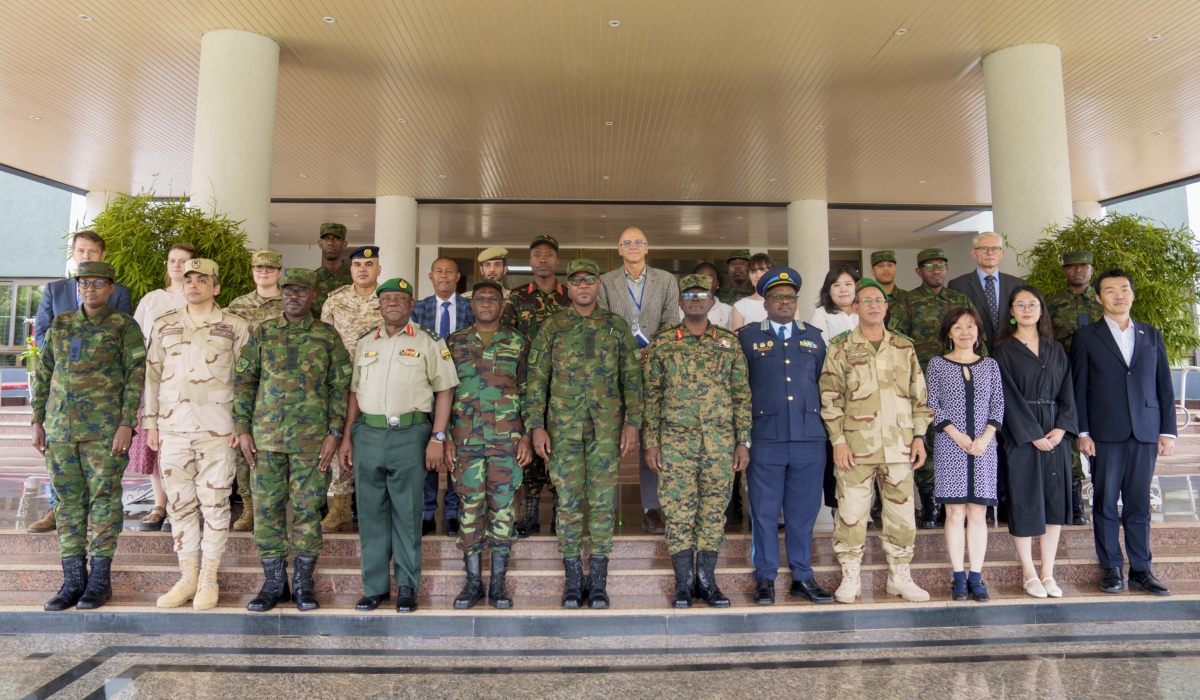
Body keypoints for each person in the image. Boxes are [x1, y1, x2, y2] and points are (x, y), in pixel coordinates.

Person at [525, 259, 641, 609]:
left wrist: (633, 422)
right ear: (569, 287)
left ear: (598, 285)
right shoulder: (553, 326)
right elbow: (536, 379)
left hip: (606, 429)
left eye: (589, 280)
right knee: (569, 504)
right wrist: (536, 425)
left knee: (604, 503)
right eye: (576, 281)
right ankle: (574, 580)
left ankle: (599, 581)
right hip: (562, 429)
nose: (583, 286)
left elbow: (632, 377)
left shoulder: (615, 326)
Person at [233, 268, 351, 613]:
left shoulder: (327, 336)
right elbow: (245, 382)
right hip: (265, 441)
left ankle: (302, 583)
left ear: (313, 296)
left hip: (311, 443)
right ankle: (273, 584)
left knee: (307, 511)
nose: (293, 296)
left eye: (301, 291)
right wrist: (242, 427)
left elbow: (339, 387)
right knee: (267, 512)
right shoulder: (263, 332)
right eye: (288, 290)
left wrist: (334, 432)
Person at [339, 278, 458, 613]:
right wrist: (348, 436)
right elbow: (354, 392)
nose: (392, 303)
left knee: (407, 513)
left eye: (400, 299)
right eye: (386, 298)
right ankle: (375, 588)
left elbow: (445, 390)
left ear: (411, 305)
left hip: (410, 433)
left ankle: (407, 586)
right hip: (369, 434)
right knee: (371, 514)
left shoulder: (429, 341)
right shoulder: (365, 343)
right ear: (379, 305)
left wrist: (437, 436)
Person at [31, 261, 144, 611]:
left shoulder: (124, 326)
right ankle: (72, 580)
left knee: (105, 502)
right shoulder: (62, 324)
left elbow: (135, 376)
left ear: (111, 288)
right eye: (84, 283)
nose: (90, 288)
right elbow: (44, 370)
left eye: (98, 283)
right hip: (61, 431)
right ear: (77, 287)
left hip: (104, 432)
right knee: (67, 504)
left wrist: (127, 423)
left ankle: (99, 581)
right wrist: (37, 418)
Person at [143, 258, 250, 610]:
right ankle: (188, 577)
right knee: (179, 504)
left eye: (202, 279)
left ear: (216, 287)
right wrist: (151, 423)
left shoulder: (235, 326)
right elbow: (152, 377)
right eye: (188, 279)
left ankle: (209, 578)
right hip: (173, 428)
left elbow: (247, 380)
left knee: (216, 504)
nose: (193, 284)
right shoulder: (164, 325)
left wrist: (241, 423)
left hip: (218, 429)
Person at [821, 279, 932, 604]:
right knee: (851, 514)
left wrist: (919, 437)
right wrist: (838, 441)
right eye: (865, 300)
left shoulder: (903, 346)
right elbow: (830, 398)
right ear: (855, 308)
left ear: (886, 307)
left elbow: (919, 396)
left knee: (901, 517)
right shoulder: (841, 347)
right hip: (855, 448)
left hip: (899, 447)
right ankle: (850, 576)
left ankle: (900, 576)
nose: (872, 305)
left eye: (878, 300)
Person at [644, 274, 751, 608]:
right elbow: (651, 395)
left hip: (720, 443)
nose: (694, 299)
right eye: (687, 294)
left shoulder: (728, 343)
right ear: (679, 302)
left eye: (701, 294)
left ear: (710, 301)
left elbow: (741, 394)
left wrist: (743, 441)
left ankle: (707, 581)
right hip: (675, 443)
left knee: (713, 513)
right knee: (677, 513)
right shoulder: (662, 342)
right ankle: (683, 584)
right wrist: (651, 441)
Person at [1072, 269, 1175, 596]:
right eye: (1110, 290)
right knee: (1103, 502)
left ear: (1132, 294)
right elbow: (1080, 388)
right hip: (1104, 432)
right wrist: (1082, 431)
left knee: (1139, 503)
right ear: (1099, 297)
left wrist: (1167, 432)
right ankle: (1112, 568)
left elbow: (1164, 386)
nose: (1119, 295)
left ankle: (1141, 570)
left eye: (1124, 289)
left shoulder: (1151, 334)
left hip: (1145, 429)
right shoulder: (1087, 336)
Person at [738, 268, 835, 605]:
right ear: (765, 302)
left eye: (790, 297)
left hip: (809, 438)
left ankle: (802, 576)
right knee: (764, 513)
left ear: (797, 302)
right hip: (765, 438)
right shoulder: (747, 338)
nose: (784, 302)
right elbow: (739, 389)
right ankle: (765, 577)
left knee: (803, 512)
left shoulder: (814, 336)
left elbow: (827, 385)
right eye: (777, 297)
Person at [27, 230, 134, 536]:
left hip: (101, 398)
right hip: (62, 389)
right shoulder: (55, 289)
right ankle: (55, 510)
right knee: (61, 463)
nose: (86, 256)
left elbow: (119, 338)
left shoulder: (120, 292)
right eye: (81, 251)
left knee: (99, 474)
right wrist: (68, 350)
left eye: (92, 251)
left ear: (102, 256)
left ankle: (91, 517)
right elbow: (43, 331)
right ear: (73, 255)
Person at [445, 280, 532, 610]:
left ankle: (497, 584)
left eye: (492, 299)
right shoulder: (454, 343)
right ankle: (472, 583)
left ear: (501, 304)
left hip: (506, 441)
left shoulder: (517, 341)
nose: (485, 304)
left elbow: (528, 390)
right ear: (471, 305)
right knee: (469, 511)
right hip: (465, 442)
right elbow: (444, 392)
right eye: (479, 299)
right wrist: (444, 438)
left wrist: (526, 433)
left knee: (502, 511)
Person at [993, 286, 1078, 599]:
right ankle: (1029, 571)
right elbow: (1006, 396)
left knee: (1054, 503)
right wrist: (1031, 433)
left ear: (1042, 310)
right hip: (1022, 436)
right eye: (1020, 305)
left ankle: (1048, 572)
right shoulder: (1002, 350)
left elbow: (1068, 391)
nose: (1027, 309)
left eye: (1033, 304)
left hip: (1055, 434)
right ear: (1012, 313)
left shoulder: (1055, 348)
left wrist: (1061, 429)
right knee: (1025, 500)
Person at [888, 247, 982, 530]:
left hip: (960, 382)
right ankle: (930, 504)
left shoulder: (960, 300)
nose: (936, 270)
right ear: (919, 271)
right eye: (929, 266)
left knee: (961, 438)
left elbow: (978, 337)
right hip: (923, 383)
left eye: (941, 265)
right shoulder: (906, 302)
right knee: (927, 438)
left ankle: (959, 502)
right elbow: (896, 343)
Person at [596, 226, 679, 535]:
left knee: (651, 437)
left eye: (638, 241)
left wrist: (652, 352)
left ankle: (651, 508)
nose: (632, 246)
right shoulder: (606, 281)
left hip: (656, 367)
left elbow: (672, 321)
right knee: (607, 438)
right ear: (619, 250)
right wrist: (629, 353)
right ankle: (602, 507)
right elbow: (603, 321)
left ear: (647, 247)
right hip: (617, 368)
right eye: (626, 242)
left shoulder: (666, 280)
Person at [925, 307, 1003, 603]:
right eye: (957, 327)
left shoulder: (990, 365)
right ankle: (958, 576)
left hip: (984, 448)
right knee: (955, 512)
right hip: (950, 445)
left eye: (970, 326)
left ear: (979, 332)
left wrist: (985, 437)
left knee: (978, 512)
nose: (965, 331)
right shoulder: (937, 364)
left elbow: (998, 405)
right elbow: (932, 404)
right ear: (948, 333)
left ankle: (976, 576)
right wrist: (957, 435)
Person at [124, 242, 196, 535]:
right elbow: (136, 341)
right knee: (155, 446)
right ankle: (159, 505)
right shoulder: (151, 300)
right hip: (153, 383)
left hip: (189, 386)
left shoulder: (197, 296)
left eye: (183, 261)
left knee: (183, 448)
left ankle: (183, 506)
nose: (176, 266)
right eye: (172, 261)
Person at [503, 235, 570, 538]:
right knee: (528, 444)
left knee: (559, 447)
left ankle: (558, 511)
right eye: (537, 255)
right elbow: (507, 341)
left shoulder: (571, 297)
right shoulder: (516, 298)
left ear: (557, 261)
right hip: (527, 384)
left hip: (563, 388)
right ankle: (528, 513)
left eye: (548, 255)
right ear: (530, 262)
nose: (543, 260)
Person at [319, 245, 382, 533]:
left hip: (378, 385)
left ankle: (373, 507)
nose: (362, 269)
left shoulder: (390, 299)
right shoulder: (335, 300)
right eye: (357, 265)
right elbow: (323, 342)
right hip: (341, 385)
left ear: (378, 269)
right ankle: (341, 507)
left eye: (369, 264)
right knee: (339, 442)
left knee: (373, 443)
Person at [411, 256, 476, 536]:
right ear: (430, 276)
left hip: (462, 388)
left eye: (449, 272)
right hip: (425, 389)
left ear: (458, 277)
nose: (444, 276)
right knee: (428, 451)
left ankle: (452, 511)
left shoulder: (470, 308)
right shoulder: (418, 309)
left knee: (455, 452)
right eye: (439, 271)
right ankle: (427, 512)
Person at [225, 248, 285, 534]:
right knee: (242, 448)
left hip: (278, 386)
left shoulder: (288, 301)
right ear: (252, 271)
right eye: (259, 267)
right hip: (245, 382)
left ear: (279, 272)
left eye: (270, 268)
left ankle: (276, 508)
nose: (264, 272)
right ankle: (248, 509)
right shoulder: (237, 304)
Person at [1046, 250, 1104, 526]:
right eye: (1071, 266)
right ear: (1064, 270)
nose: (1077, 270)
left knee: (1099, 441)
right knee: (1068, 438)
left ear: (1092, 269)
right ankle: (1075, 505)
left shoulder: (1103, 300)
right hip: (1063, 380)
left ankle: (1102, 500)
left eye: (1083, 265)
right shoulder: (1052, 303)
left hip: (1100, 381)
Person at [946, 232, 1025, 351]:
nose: (990, 252)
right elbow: (954, 323)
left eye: (995, 248)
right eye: (984, 248)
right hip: (976, 351)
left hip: (1012, 350)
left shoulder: (1018, 284)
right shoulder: (957, 285)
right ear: (973, 253)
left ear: (1001, 253)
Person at [807, 264, 860, 346]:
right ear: (829, 291)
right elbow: (817, 348)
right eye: (836, 285)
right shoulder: (821, 313)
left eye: (848, 284)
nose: (843, 290)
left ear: (857, 287)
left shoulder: (868, 310)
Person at [311, 223, 352, 318]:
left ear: (344, 244)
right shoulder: (311, 279)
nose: (330, 243)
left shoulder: (355, 278)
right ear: (320, 244)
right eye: (325, 239)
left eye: (336, 239)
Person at [678, 262, 734, 330]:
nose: (706, 281)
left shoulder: (729, 311)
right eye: (701, 277)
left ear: (717, 283)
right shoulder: (678, 310)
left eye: (711, 278)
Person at [730, 253, 775, 330]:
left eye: (763, 270)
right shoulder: (740, 306)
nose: (758, 275)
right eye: (753, 271)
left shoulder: (785, 301)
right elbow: (737, 338)